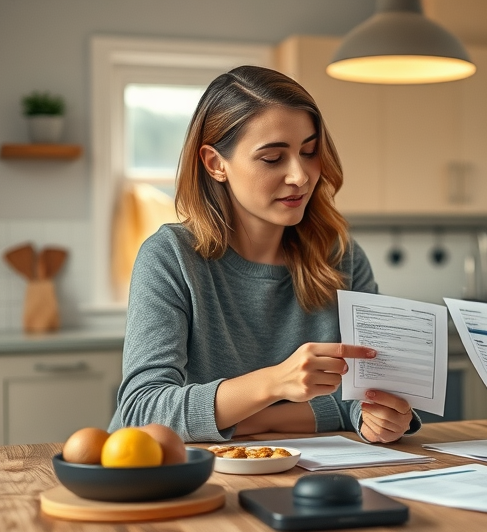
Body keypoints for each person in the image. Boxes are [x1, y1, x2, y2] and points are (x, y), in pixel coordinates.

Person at [109, 66, 418, 444]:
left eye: (309, 151)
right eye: (273, 158)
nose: (301, 176)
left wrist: (380, 417)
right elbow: (143, 413)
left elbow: (364, 397)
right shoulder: (169, 258)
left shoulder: (341, 256)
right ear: (215, 163)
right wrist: (275, 384)